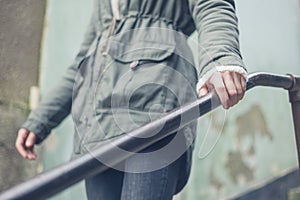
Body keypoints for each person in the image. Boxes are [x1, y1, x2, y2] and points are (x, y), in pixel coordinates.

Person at [15, 0, 247, 199]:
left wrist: (220, 58)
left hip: (154, 115)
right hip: (97, 129)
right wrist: (40, 120)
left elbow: (212, 5)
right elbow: (82, 63)